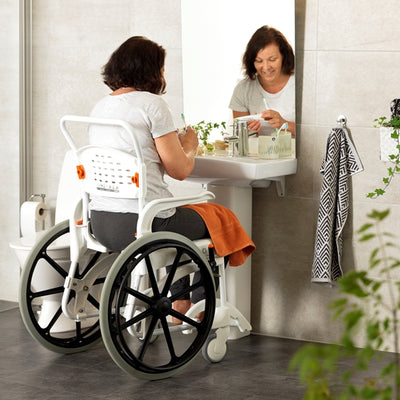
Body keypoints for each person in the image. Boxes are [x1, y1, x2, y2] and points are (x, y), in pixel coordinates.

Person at [88, 36, 254, 324]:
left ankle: (179, 301)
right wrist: (188, 144)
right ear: (150, 70)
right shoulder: (152, 105)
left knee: (189, 219)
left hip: (102, 221)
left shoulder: (101, 107)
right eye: (161, 68)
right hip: (142, 223)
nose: (163, 75)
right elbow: (179, 170)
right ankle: (200, 306)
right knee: (220, 220)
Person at [229, 25, 295, 136]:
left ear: (284, 56)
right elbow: (238, 139)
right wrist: (248, 132)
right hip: (258, 152)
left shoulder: (300, 85)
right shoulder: (243, 89)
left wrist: (285, 124)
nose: (265, 67)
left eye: (272, 59)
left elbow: (315, 132)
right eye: (259, 61)